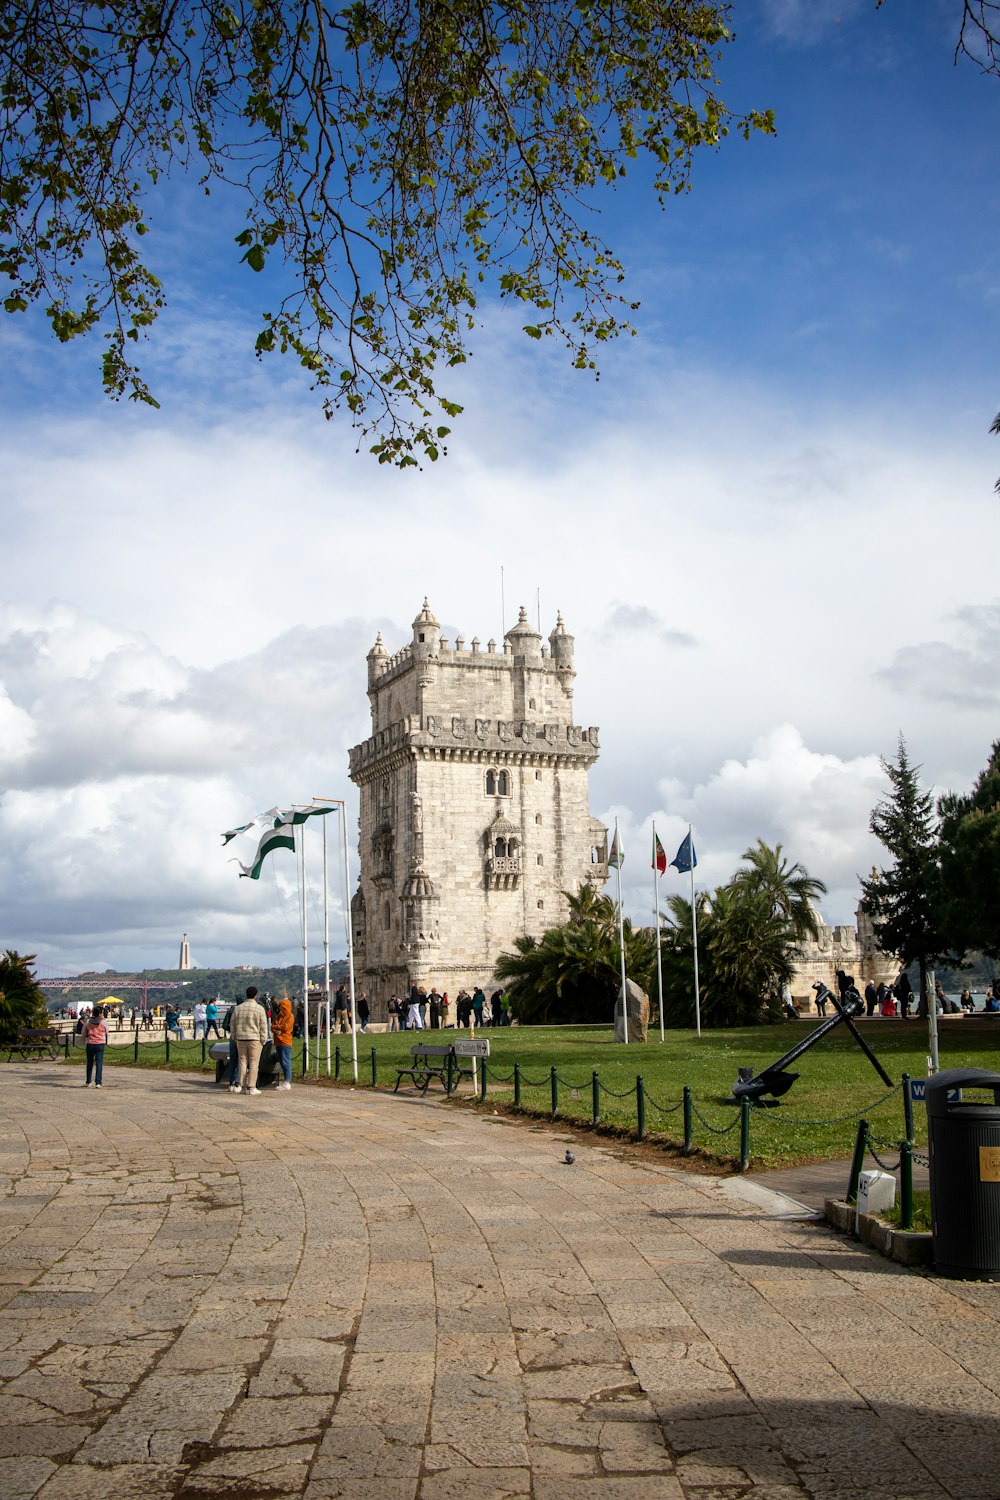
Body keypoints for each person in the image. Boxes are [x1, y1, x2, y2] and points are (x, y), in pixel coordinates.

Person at [230, 985, 269, 1095]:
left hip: (241, 1038)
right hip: (254, 1039)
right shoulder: (259, 1008)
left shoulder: (238, 1008)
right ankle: (251, 1087)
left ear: (246, 995)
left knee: (242, 1062)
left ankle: (240, 1085)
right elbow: (263, 1026)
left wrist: (235, 1036)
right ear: (256, 996)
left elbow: (232, 1024)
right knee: (253, 1063)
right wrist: (263, 1040)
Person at [271, 994, 294, 1090]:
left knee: (285, 1061)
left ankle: (287, 1080)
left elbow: (286, 1027)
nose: (281, 1010)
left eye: (283, 1008)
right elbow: (273, 1026)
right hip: (278, 1041)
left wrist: (278, 1027)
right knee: (281, 1061)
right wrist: (278, 1029)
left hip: (285, 1041)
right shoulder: (279, 1016)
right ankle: (285, 1080)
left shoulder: (290, 1016)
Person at [82, 1006, 108, 1087]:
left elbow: (83, 1033)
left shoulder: (88, 1021)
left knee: (89, 1063)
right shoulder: (103, 1022)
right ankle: (98, 1082)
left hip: (90, 1043)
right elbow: (107, 1032)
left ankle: (88, 1081)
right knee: (99, 1063)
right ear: (100, 1013)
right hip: (100, 1043)